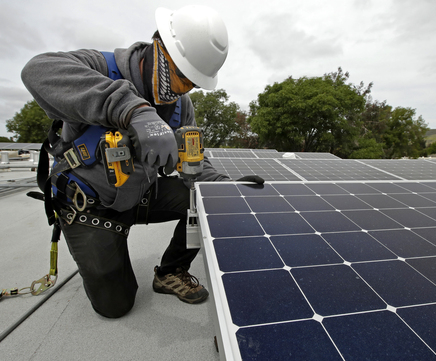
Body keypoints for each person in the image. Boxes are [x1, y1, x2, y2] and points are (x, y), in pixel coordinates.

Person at [21, 5, 260, 318]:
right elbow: (36, 70)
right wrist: (132, 110)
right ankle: (105, 249)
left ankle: (170, 271)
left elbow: (191, 162)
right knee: (115, 306)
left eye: (193, 83)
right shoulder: (101, 67)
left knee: (205, 202)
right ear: (160, 49)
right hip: (90, 206)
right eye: (182, 77)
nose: (184, 89)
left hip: (140, 194)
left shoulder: (180, 106)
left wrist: (219, 186)